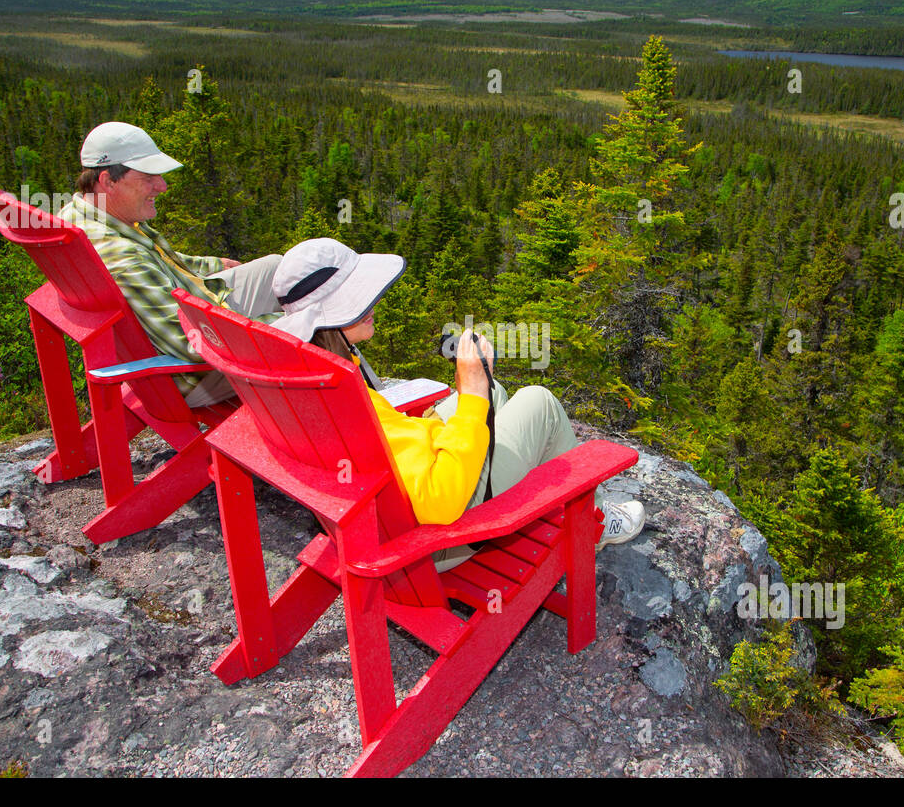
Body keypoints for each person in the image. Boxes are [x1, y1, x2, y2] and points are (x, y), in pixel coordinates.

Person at [268, 237, 646, 567]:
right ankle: (592, 523)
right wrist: (471, 392)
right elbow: (440, 501)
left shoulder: (307, 377)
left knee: (495, 394)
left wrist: (451, 411)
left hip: (378, 515)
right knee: (538, 402)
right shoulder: (347, 395)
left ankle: (533, 488)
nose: (373, 302)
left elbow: (389, 443)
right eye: (356, 298)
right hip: (429, 543)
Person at [57, 121, 283, 406]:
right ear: (107, 181)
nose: (161, 187)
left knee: (278, 269)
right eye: (147, 177)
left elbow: (162, 261)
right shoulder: (122, 257)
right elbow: (194, 345)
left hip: (195, 313)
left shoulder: (82, 214)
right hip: (193, 373)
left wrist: (213, 264)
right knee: (324, 328)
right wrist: (292, 325)